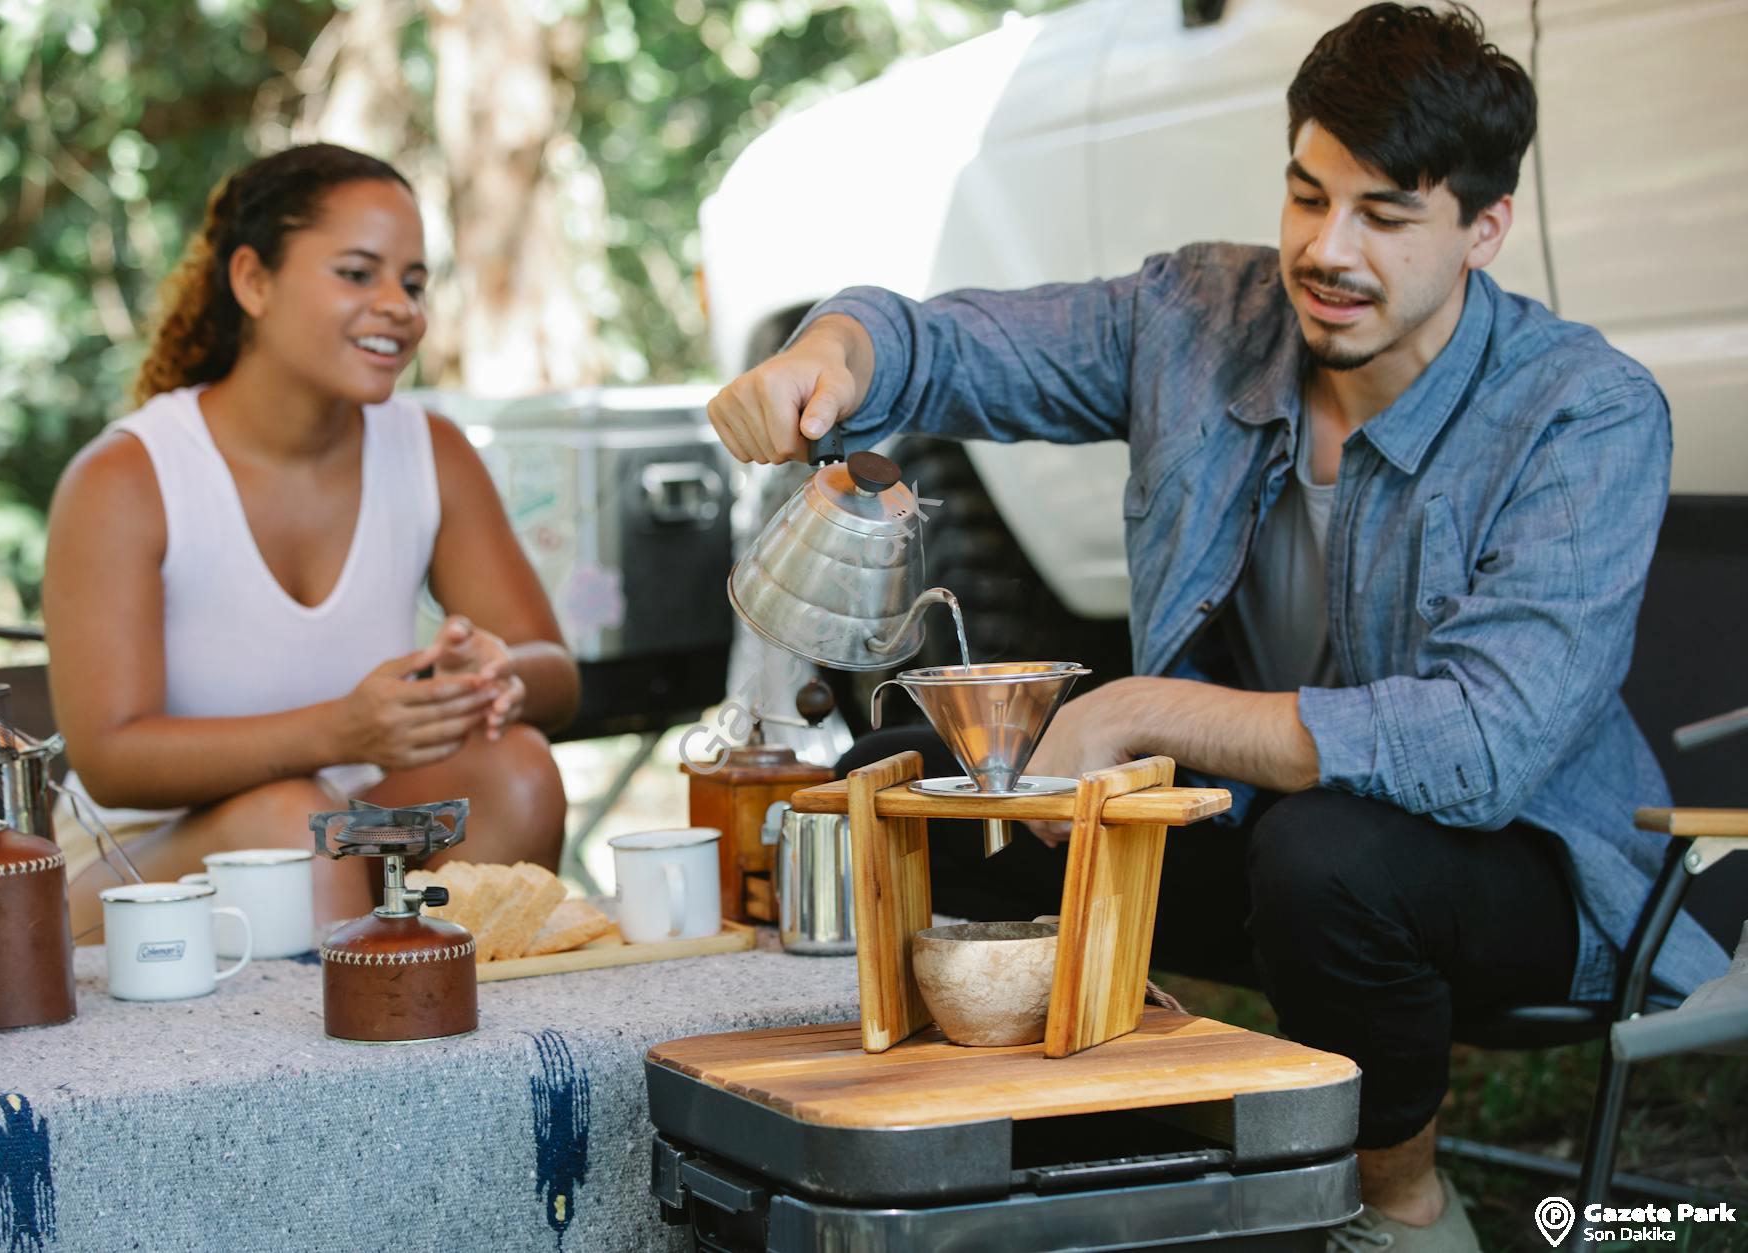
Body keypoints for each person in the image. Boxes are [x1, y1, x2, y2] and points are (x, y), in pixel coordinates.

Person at [705, 6, 1728, 1250]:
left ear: (1483, 228)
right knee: (908, 788)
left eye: (1384, 216)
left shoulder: (1582, 412)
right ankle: (1059, 1165)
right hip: (1250, 831)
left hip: (1517, 869)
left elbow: (1479, 746)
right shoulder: (1200, 314)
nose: (1325, 249)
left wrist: (1137, 707)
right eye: (1306, 196)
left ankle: (1398, 1203)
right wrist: (836, 348)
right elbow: (961, 345)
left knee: (1329, 853)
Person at [44, 143, 577, 938]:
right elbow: (111, 757)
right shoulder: (126, 477)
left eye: (414, 282)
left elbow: (555, 672)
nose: (398, 305)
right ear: (254, 280)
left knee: (519, 772)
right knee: (297, 827)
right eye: (358, 274)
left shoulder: (429, 449)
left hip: (342, 833)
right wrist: (342, 729)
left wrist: (495, 678)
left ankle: (470, 1045)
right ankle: (352, 1059)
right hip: (132, 867)